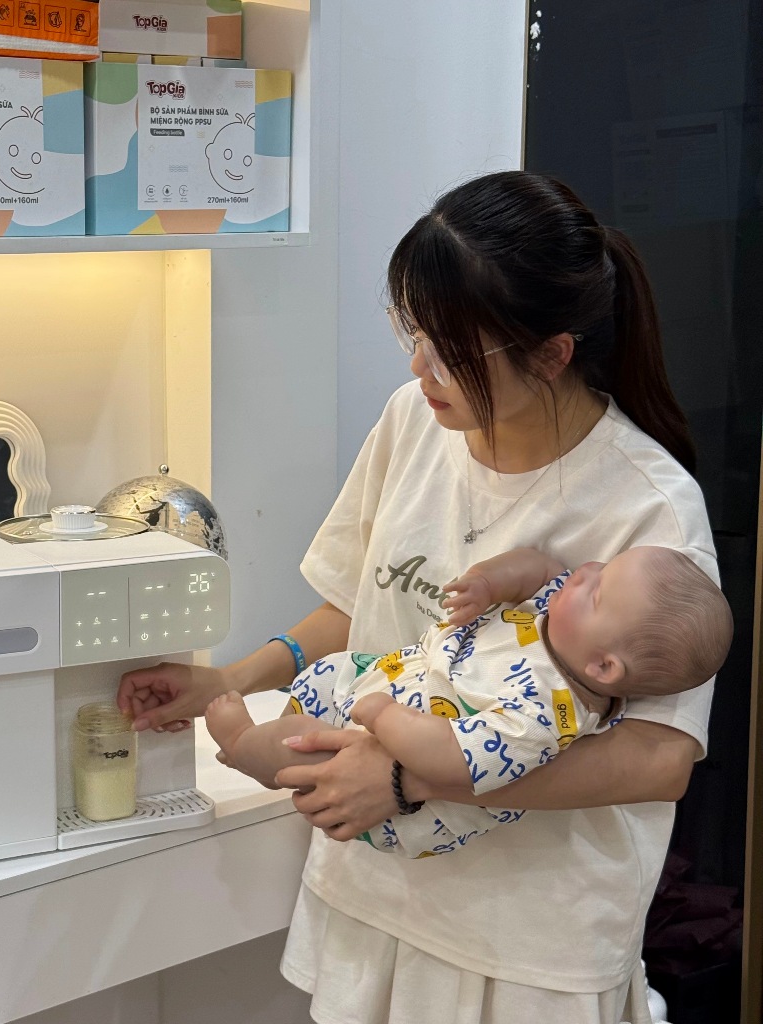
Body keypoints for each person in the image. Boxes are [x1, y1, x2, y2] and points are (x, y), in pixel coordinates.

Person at [117, 170, 718, 1024]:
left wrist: (412, 779)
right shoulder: (414, 419)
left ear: (552, 354)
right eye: (415, 332)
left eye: (452, 351)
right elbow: (357, 607)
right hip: (378, 887)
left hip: (528, 934)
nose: (419, 366)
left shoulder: (648, 505)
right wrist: (231, 681)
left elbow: (659, 759)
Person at [204, 545, 732, 857]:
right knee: (329, 684)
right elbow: (537, 567)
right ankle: (271, 733)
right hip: (382, 685)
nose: (586, 569)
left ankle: (243, 745)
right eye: (601, 566)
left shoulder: (544, 717)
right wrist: (487, 582)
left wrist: (384, 716)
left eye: (595, 590)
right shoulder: (559, 617)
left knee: (301, 749)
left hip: (396, 786)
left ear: (604, 669)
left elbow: (452, 759)